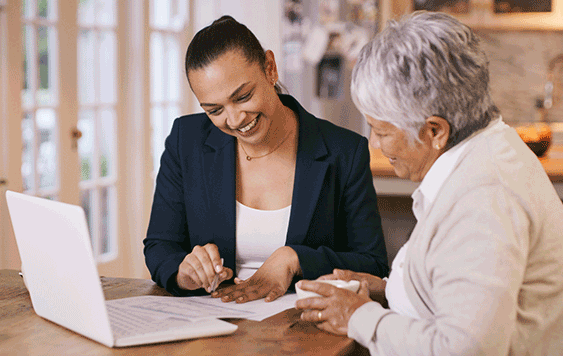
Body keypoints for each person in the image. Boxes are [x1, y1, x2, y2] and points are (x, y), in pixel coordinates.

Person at [295, 11, 563, 355]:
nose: (375, 145)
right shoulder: (487, 148)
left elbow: (465, 349)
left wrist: (359, 316)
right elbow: (460, 289)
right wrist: (385, 289)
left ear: (435, 131)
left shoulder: (482, 200)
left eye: (381, 131)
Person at [143, 16, 389, 303]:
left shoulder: (344, 151)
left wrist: (295, 258)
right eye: (214, 110)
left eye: (243, 96)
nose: (234, 120)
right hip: (213, 322)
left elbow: (373, 264)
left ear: (270, 68)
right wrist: (183, 273)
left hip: (305, 326)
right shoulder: (185, 141)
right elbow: (160, 245)